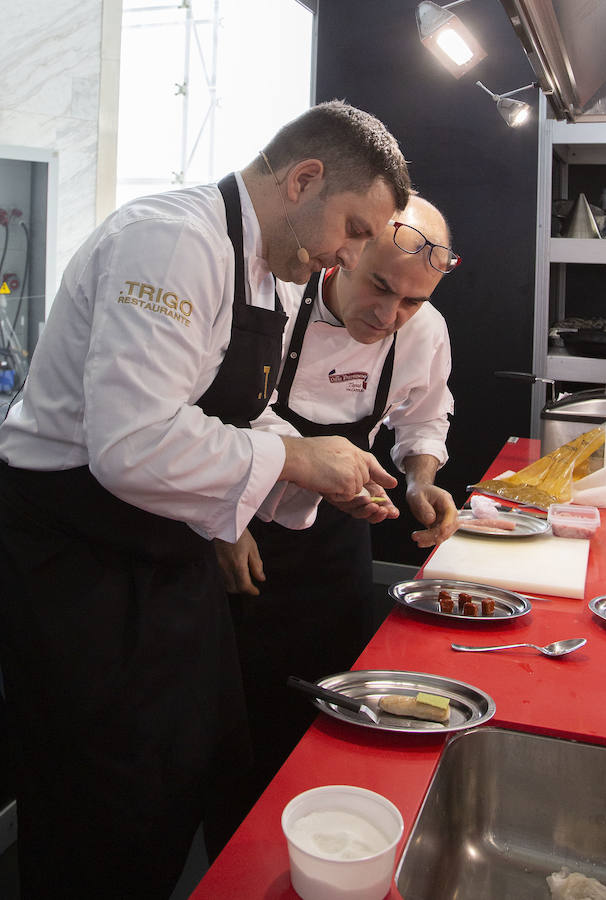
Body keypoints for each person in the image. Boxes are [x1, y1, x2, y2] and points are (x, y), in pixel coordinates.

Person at [0, 100, 411, 900]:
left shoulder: (264, 266)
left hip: (157, 549)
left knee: (195, 756)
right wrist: (291, 456)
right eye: (356, 229)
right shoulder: (172, 243)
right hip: (76, 557)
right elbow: (134, 444)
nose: (349, 256)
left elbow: (226, 405)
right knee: (102, 799)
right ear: (305, 179)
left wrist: (325, 471)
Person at [217, 195, 459, 802]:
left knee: (333, 703)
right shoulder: (272, 300)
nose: (389, 314)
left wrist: (421, 479)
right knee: (232, 723)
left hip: (334, 547)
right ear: (345, 253)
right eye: (379, 287)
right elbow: (213, 416)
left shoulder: (423, 332)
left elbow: (425, 419)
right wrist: (223, 522)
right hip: (239, 529)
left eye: (412, 301)